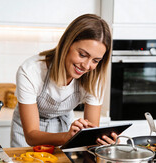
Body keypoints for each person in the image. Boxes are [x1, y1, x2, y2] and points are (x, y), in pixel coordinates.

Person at [11, 14, 118, 148]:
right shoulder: (31, 71)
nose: (86, 66)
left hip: (64, 128)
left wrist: (103, 141)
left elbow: (91, 134)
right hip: (28, 134)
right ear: (67, 43)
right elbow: (31, 136)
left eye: (95, 60)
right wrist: (66, 137)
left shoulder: (93, 77)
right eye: (83, 55)